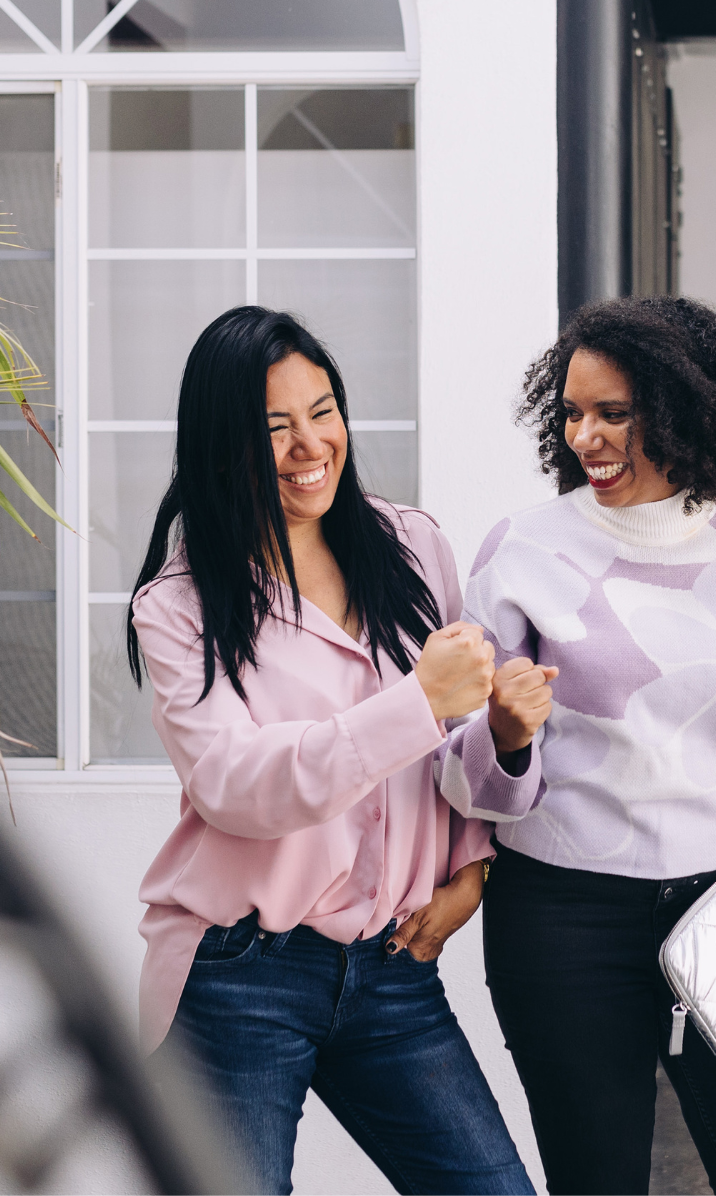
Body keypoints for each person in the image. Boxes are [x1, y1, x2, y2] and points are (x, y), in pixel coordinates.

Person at [460, 296, 716, 1196]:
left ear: (687, 410)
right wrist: (506, 736)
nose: (586, 438)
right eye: (571, 412)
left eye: (614, 413)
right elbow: (472, 785)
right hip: (561, 924)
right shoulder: (522, 551)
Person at [127, 306, 539, 1196]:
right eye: (272, 427)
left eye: (322, 411)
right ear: (218, 442)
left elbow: (457, 741)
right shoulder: (177, 608)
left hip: (390, 969)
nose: (308, 444)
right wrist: (417, 701)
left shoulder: (413, 547)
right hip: (240, 977)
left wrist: (473, 865)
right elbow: (236, 786)